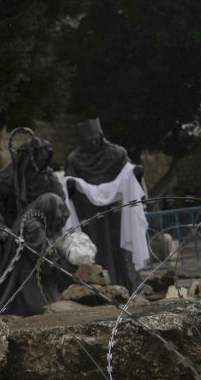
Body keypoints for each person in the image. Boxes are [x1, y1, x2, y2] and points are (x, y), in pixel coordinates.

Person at [64, 118, 145, 290]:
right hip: (89, 213)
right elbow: (68, 186)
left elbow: (129, 174)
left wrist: (137, 173)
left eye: (96, 138)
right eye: (88, 140)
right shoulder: (74, 159)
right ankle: (93, 287)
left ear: (101, 136)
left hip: (115, 210)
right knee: (93, 249)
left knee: (120, 248)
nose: (93, 142)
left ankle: (128, 285)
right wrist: (71, 186)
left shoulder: (117, 153)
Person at [0, 134, 64, 290]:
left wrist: (52, 224)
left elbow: (59, 202)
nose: (43, 165)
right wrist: (1, 228)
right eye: (40, 160)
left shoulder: (47, 177)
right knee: (13, 279)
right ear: (30, 158)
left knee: (43, 272)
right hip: (11, 236)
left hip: (39, 233)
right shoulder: (5, 178)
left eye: (45, 161)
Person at [0, 193, 72, 316]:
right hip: (29, 278)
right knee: (42, 310)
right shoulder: (34, 227)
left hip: (30, 273)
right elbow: (44, 259)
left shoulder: (31, 220)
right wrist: (62, 259)